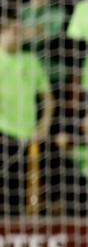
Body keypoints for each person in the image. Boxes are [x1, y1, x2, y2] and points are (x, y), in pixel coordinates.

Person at [0, 13, 55, 215]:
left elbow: (47, 96)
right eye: (13, 31)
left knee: (24, 189)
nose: (18, 35)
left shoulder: (31, 61)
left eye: (20, 31)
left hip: (29, 135)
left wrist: (44, 125)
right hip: (3, 133)